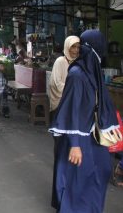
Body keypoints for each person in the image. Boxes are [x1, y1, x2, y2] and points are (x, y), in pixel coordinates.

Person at [49, 30, 119, 213]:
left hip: (92, 136)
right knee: (78, 181)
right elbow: (72, 110)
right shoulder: (77, 75)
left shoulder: (90, 71)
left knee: (99, 173)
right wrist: (75, 145)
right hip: (79, 139)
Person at [48, 35, 80, 208]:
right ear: (67, 47)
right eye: (73, 46)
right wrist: (71, 92)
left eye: (77, 47)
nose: (75, 50)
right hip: (60, 111)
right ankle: (60, 194)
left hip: (70, 112)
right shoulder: (61, 61)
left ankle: (68, 191)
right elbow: (55, 83)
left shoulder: (77, 63)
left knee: (71, 152)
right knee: (61, 151)